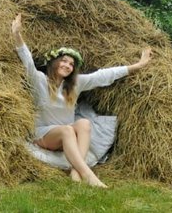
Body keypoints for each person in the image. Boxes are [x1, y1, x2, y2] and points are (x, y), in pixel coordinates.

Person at [11, 13, 152, 188]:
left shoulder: (75, 84)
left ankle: (75, 171)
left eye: (71, 64)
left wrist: (137, 66)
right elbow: (28, 63)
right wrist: (17, 35)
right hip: (43, 134)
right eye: (64, 61)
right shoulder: (39, 80)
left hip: (65, 135)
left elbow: (103, 75)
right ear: (54, 62)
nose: (67, 66)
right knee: (67, 131)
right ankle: (88, 174)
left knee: (84, 123)